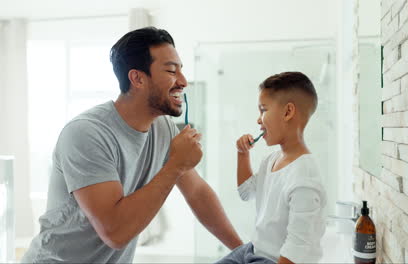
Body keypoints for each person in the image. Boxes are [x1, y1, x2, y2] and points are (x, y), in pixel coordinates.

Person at [22, 27, 242, 263]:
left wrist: (244, 252)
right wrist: (175, 165)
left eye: (181, 71)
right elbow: (115, 233)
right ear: (137, 78)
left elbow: (197, 192)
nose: (183, 82)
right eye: (171, 70)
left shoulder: (163, 127)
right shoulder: (87, 133)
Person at [216, 72, 327, 264]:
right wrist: (242, 154)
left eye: (263, 110)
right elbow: (246, 192)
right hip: (252, 250)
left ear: (287, 112)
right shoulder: (272, 160)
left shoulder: (304, 178)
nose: (259, 120)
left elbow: (296, 251)